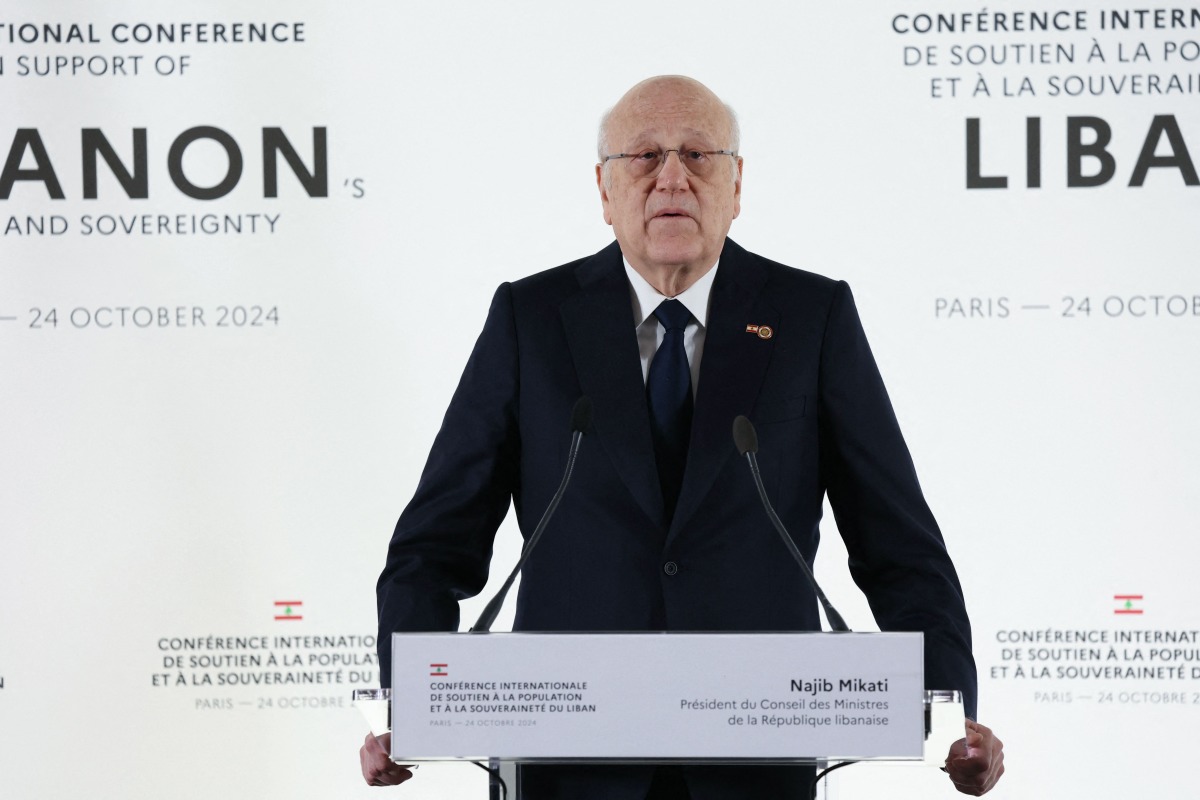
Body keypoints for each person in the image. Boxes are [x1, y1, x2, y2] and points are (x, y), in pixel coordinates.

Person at [361, 75, 1004, 798]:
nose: (673, 176)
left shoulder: (810, 317)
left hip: (754, 768)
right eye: (644, 157)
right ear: (604, 192)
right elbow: (432, 548)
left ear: (737, 185)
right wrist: (408, 705)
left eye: (699, 154)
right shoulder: (531, 320)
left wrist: (952, 714)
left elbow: (900, 547)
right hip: (571, 770)